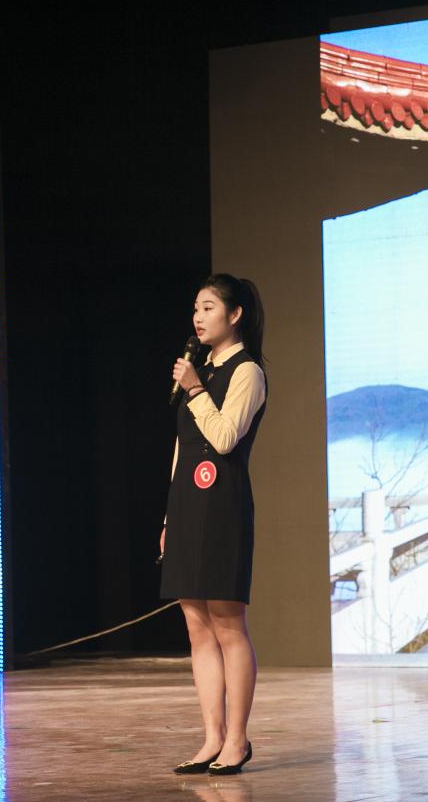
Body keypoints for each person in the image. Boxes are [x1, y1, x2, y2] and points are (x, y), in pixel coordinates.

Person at [159, 273, 267, 775]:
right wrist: (169, 515)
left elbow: (223, 438)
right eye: (195, 308)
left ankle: (237, 740)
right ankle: (211, 738)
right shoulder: (198, 372)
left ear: (235, 314)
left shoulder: (248, 372)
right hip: (187, 503)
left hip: (223, 505)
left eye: (208, 308)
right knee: (196, 627)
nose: (198, 317)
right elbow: (183, 450)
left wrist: (196, 389)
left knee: (227, 624)